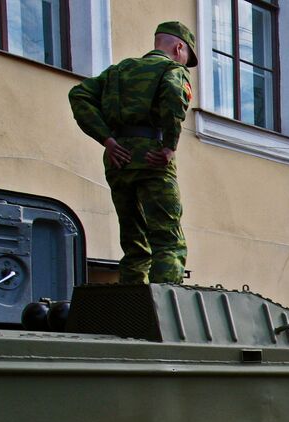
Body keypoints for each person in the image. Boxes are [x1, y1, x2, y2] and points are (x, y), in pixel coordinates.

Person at [69, 22, 195, 285]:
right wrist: (169, 146)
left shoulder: (118, 71)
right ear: (179, 47)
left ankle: (134, 301)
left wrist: (107, 139)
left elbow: (79, 94)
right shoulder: (171, 70)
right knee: (167, 240)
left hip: (119, 159)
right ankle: (164, 300)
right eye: (186, 56)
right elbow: (174, 96)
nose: (185, 63)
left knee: (133, 240)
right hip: (152, 158)